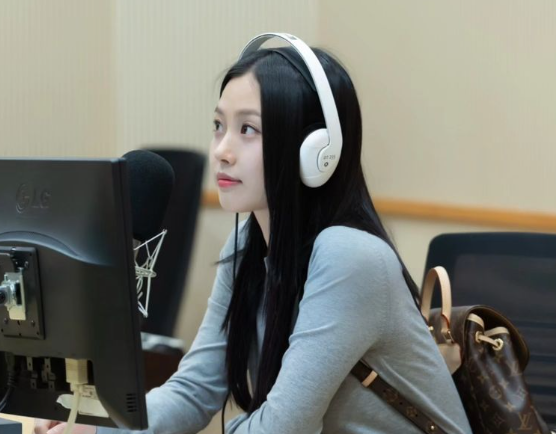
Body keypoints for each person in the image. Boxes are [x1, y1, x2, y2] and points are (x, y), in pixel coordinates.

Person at [35, 33, 471, 434]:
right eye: (219, 126)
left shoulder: (350, 256)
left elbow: (282, 427)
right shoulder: (247, 244)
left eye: (248, 129)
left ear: (316, 151)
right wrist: (99, 427)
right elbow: (194, 390)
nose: (222, 151)